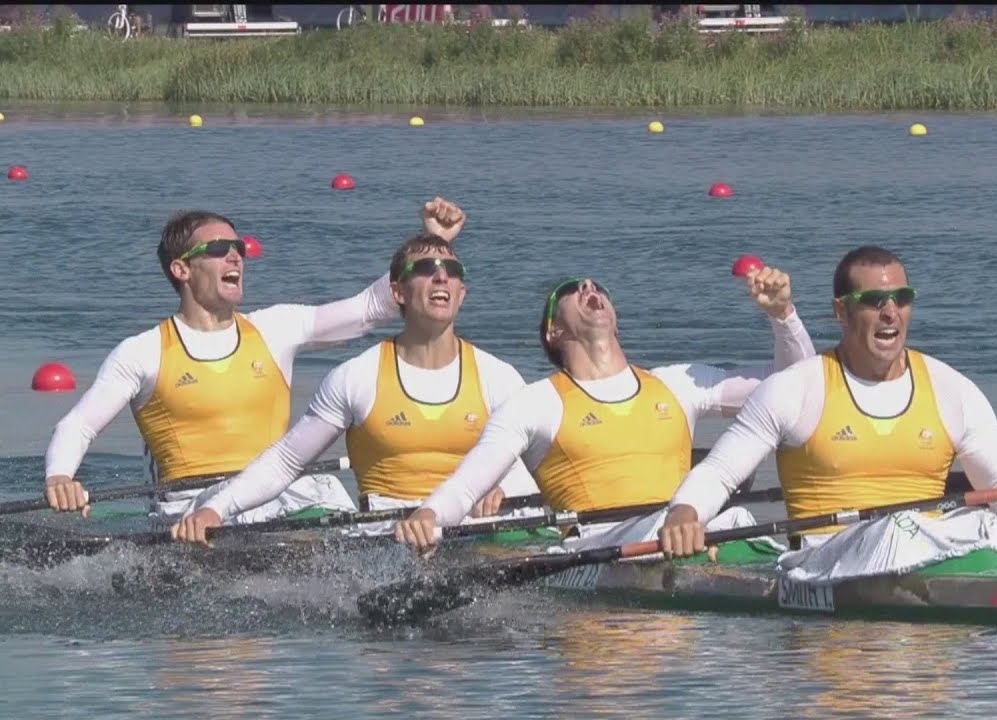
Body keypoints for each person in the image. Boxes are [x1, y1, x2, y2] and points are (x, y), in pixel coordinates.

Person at [658, 245, 997, 579]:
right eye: (874, 299)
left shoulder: (952, 390)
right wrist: (684, 513)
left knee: (979, 524)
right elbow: (719, 474)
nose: (890, 312)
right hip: (825, 566)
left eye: (901, 298)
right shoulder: (795, 389)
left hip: (929, 556)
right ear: (841, 311)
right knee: (897, 529)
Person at [42, 197, 468, 525]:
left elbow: (368, 310)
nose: (236, 256)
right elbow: (78, 425)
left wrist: (434, 247)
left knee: (332, 498)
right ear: (181, 269)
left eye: (239, 247)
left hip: (273, 495)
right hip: (190, 508)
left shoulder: (275, 328)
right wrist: (60, 477)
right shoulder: (143, 351)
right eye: (220, 248)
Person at [389, 266, 817, 552]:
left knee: (736, 517)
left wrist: (783, 316)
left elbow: (795, 390)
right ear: (553, 330)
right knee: (685, 523)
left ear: (615, 319)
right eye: (573, 291)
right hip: (598, 546)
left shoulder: (678, 383)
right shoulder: (536, 403)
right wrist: (429, 516)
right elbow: (467, 487)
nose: (590, 290)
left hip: (690, 531)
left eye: (598, 288)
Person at [169, 230, 540, 544]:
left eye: (451, 271)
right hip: (389, 532)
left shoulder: (499, 377)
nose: (441, 278)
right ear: (397, 292)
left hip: (475, 527)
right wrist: (216, 509)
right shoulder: (356, 377)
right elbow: (286, 461)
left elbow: (543, 465)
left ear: (462, 293)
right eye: (425, 270)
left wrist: (508, 490)